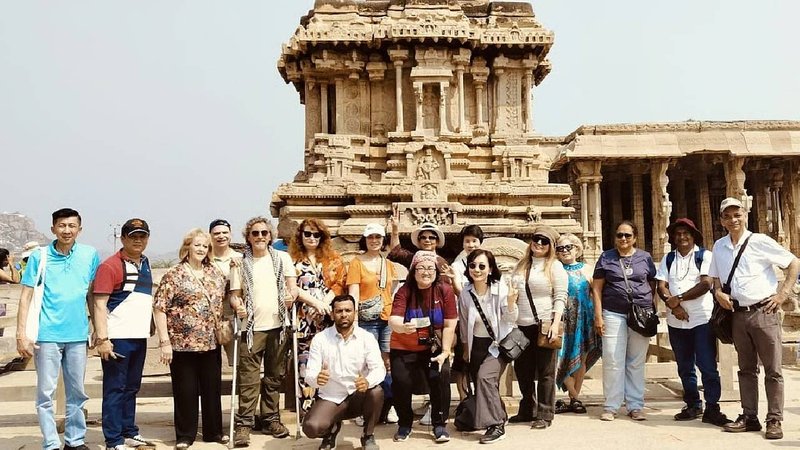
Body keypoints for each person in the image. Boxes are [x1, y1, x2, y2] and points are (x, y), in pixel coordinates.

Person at [709, 198, 800, 440]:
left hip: (764, 312)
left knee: (773, 370)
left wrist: (782, 295)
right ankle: (749, 416)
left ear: (745, 215)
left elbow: (793, 263)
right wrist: (718, 293)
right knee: (746, 369)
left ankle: (774, 419)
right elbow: (715, 278)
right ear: (721, 220)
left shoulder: (760, 241)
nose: (733, 220)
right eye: (727, 216)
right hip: (737, 314)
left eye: (737, 214)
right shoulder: (719, 246)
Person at [15, 208, 100, 450]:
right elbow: (26, 296)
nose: (67, 230)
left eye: (72, 226)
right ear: (53, 228)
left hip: (77, 335)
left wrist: (96, 327)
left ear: (79, 229)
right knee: (45, 394)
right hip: (47, 336)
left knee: (77, 392)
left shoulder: (89, 255)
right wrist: (21, 334)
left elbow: (92, 295)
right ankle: (51, 443)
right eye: (62, 226)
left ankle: (75, 441)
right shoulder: (39, 257)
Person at [153, 228, 227, 449]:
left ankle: (214, 432)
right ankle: (185, 434)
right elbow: (159, 308)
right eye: (197, 245)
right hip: (181, 343)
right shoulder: (174, 274)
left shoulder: (214, 272)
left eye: (205, 246)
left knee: (212, 389)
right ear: (187, 247)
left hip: (210, 342)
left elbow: (227, 296)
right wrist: (164, 342)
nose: (201, 249)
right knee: (185, 391)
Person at [654, 218, 731, 426]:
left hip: (701, 318)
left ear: (694, 236)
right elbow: (661, 286)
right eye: (678, 234)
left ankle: (712, 407)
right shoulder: (669, 259)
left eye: (686, 233)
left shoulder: (704, 256)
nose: (682, 237)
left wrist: (678, 299)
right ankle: (693, 404)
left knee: (707, 365)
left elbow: (706, 284)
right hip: (676, 320)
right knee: (684, 365)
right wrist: (674, 307)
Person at [229, 217, 297, 446]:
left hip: (278, 326)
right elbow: (235, 294)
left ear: (271, 236)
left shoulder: (282, 258)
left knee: (274, 377)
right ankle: (244, 424)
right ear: (248, 237)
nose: (260, 237)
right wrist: (237, 304)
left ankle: (270, 419)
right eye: (255, 233)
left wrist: (291, 296)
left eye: (264, 233)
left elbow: (292, 287)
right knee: (248, 379)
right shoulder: (239, 263)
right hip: (251, 328)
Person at [92, 219, 156, 450]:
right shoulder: (110, 266)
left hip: (138, 337)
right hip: (117, 338)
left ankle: (129, 431)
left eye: (142, 235)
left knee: (131, 387)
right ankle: (113, 439)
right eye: (133, 236)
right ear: (123, 238)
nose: (138, 240)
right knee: (114, 389)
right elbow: (100, 304)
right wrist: (103, 339)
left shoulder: (146, 263)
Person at [389, 251, 457, 443]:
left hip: (433, 347)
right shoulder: (404, 291)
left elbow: (450, 324)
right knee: (401, 381)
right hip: (404, 345)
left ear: (436, 271)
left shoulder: (444, 290)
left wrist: (445, 351)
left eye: (430, 268)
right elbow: (393, 319)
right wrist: (401, 327)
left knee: (441, 377)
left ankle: (439, 424)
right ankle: (404, 423)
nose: (426, 272)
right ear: (413, 271)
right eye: (421, 268)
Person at [302, 294, 385, 450]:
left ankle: (368, 436)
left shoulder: (366, 338)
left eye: (348, 310)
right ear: (332, 314)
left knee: (377, 391)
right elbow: (310, 374)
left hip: (358, 395)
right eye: (339, 311)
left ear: (355, 313)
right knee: (311, 428)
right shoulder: (320, 339)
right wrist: (317, 378)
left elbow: (379, 369)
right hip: (331, 397)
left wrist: (367, 381)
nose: (344, 314)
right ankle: (330, 431)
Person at [592, 220, 656, 422]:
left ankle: (635, 405)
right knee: (612, 358)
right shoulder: (606, 258)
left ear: (635, 238)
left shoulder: (644, 258)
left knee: (636, 361)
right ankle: (611, 405)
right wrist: (599, 316)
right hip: (613, 312)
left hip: (641, 314)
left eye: (627, 235)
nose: (623, 239)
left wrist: (649, 309)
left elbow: (651, 283)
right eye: (620, 235)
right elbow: (596, 288)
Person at [510, 224, 567, 429]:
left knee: (545, 371)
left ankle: (545, 413)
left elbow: (560, 296)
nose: (539, 244)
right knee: (522, 370)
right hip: (521, 324)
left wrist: (555, 321)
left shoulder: (555, 267)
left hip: (544, 324)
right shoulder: (521, 265)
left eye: (545, 241)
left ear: (551, 245)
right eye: (536, 239)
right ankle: (527, 408)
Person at [458, 249, 518, 444]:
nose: (477, 270)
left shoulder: (500, 289)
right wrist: (466, 348)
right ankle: (499, 414)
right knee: (481, 381)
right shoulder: (466, 293)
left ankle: (496, 425)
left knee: (485, 378)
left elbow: (510, 320)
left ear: (490, 269)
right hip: (476, 344)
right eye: (473, 265)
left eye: (482, 266)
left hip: (498, 345)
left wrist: (510, 303)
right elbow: (464, 321)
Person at [288, 218, 347, 416]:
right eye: (308, 234)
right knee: (305, 363)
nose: (312, 238)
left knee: (329, 360)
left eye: (316, 234)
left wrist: (325, 303)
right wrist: (315, 303)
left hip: (327, 317)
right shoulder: (292, 259)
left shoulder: (332, 258)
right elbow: (292, 287)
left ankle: (328, 405)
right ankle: (307, 407)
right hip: (304, 318)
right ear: (300, 236)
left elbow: (339, 283)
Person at [347, 223, 398, 423]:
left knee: (388, 363)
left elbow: (392, 291)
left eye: (378, 237)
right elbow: (354, 292)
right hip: (365, 320)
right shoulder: (356, 263)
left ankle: (388, 405)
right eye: (370, 237)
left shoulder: (388, 265)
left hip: (386, 318)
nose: (374, 241)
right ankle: (363, 408)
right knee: (365, 363)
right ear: (365, 239)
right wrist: (354, 321)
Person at [554, 233, 601, 415]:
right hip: (562, 318)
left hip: (583, 317)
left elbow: (596, 293)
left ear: (577, 248)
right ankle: (576, 397)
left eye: (568, 247)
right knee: (559, 357)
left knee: (581, 358)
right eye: (560, 249)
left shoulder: (588, 269)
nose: (565, 251)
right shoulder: (555, 269)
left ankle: (574, 398)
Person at [208, 219, 242, 367]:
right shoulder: (204, 258)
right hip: (210, 314)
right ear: (210, 236)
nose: (221, 236)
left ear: (230, 235)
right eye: (216, 233)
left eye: (224, 233)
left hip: (232, 312)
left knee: (238, 359)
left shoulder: (240, 258)